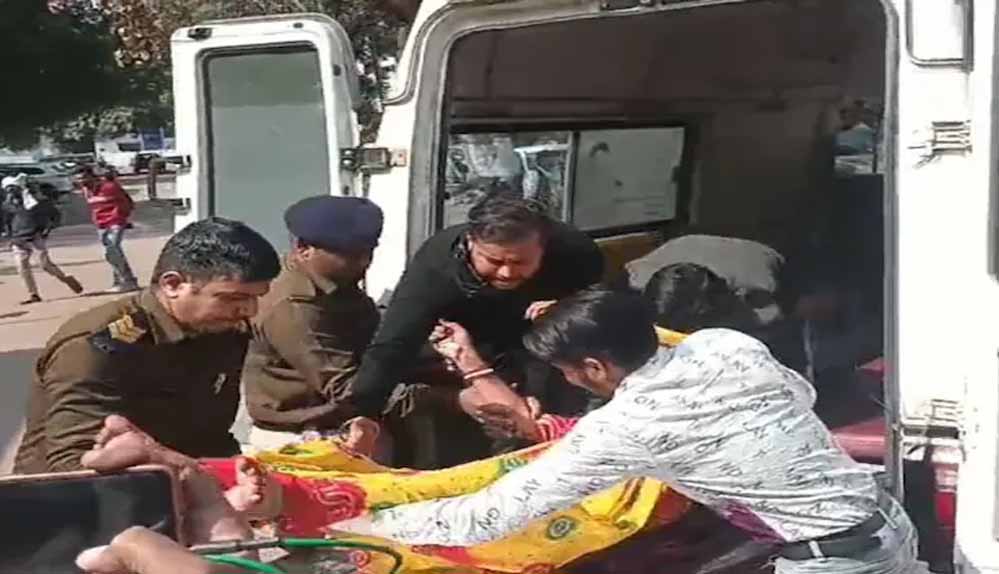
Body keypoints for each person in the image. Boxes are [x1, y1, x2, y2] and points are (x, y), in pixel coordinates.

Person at [328, 289, 930, 574]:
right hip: (886, 523)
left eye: (568, 371)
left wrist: (361, 522)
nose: (569, 380)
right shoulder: (726, 345)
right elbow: (802, 395)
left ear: (593, 368)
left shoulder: (629, 424)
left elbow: (489, 516)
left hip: (832, 561)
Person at [13, 217, 281, 474]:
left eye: (256, 298)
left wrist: (233, 475)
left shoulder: (223, 331)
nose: (249, 310)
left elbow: (211, 436)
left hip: (180, 486)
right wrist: (186, 472)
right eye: (233, 298)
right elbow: (76, 463)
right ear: (173, 284)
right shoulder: (98, 346)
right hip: (75, 497)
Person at [348, 193, 604, 452]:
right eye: (494, 261)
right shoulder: (437, 262)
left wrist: (565, 312)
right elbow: (393, 344)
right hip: (471, 337)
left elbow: (604, 317)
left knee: (548, 411)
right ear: (471, 242)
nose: (507, 272)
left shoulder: (576, 253)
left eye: (520, 262)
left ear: (543, 248)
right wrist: (363, 414)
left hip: (547, 341)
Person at [242, 196, 385, 451]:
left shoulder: (337, 283)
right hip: (302, 439)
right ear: (304, 248)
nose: (364, 262)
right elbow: (347, 388)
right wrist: (445, 399)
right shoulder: (293, 305)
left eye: (368, 252)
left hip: (344, 426)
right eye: (350, 254)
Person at [2, 173, 83, 304]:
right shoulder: (8, 206)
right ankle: (33, 294)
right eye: (8, 190)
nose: (11, 193)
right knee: (22, 267)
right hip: (18, 240)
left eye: (13, 189)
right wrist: (9, 236)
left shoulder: (36, 202)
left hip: (35, 237)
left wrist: (47, 229)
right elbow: (6, 222)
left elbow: (55, 215)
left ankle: (65, 278)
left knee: (45, 265)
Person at [79, 166, 140, 293]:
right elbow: (95, 207)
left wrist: (123, 217)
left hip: (115, 222)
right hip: (101, 225)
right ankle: (122, 281)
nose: (81, 181)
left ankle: (126, 280)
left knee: (113, 249)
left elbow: (128, 202)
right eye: (78, 179)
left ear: (91, 176)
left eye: (83, 178)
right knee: (111, 254)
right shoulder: (86, 191)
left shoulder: (110, 187)